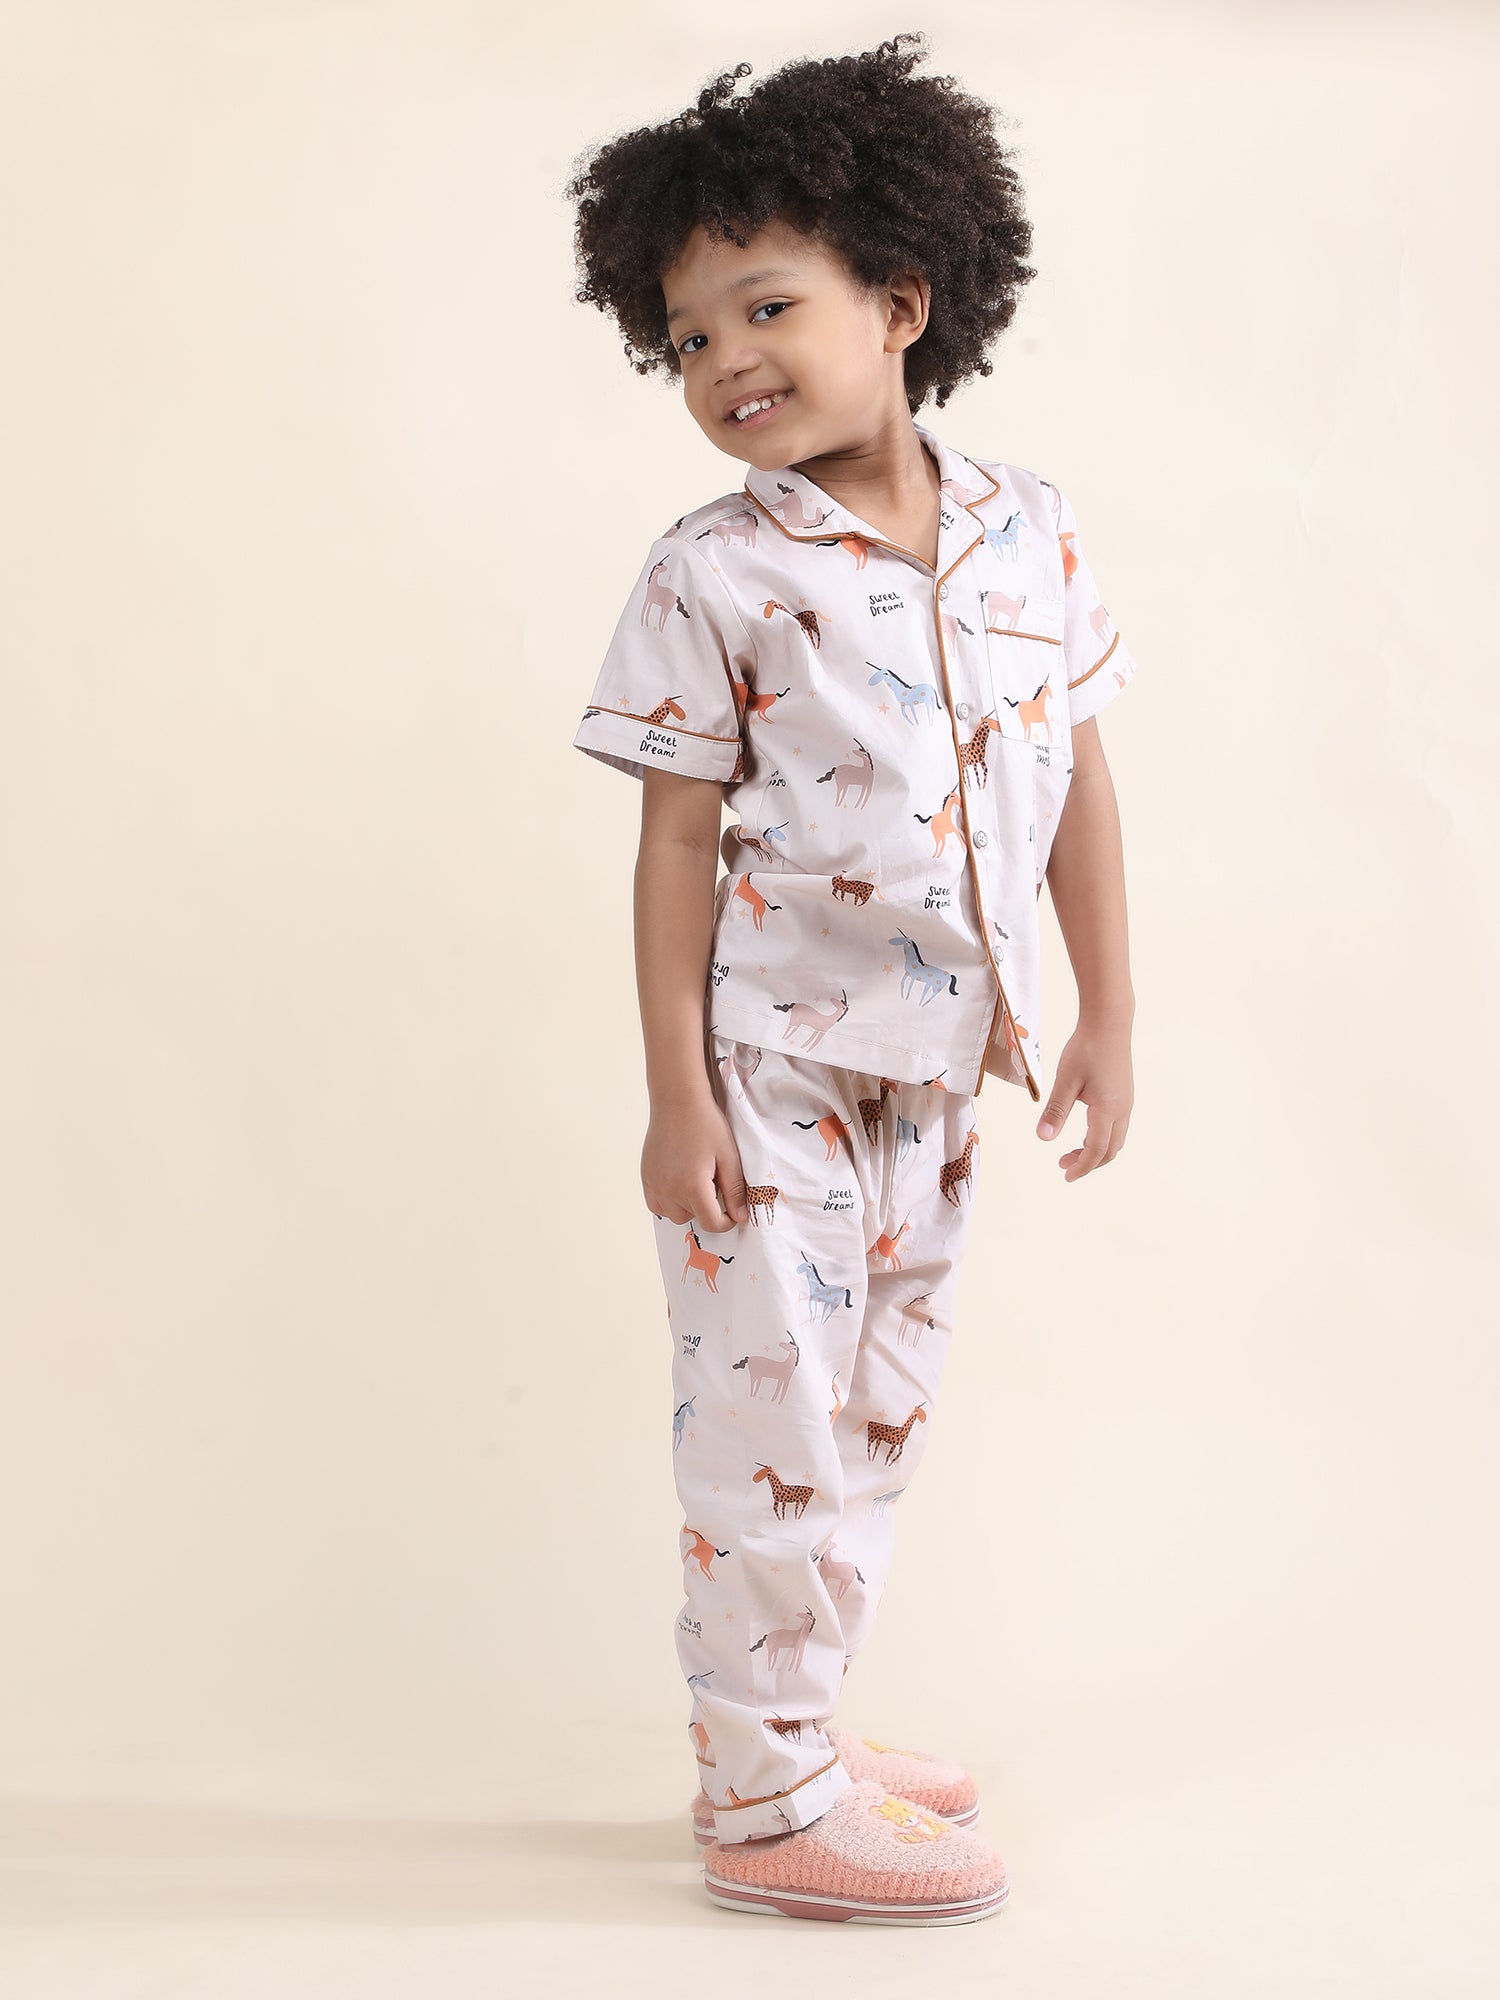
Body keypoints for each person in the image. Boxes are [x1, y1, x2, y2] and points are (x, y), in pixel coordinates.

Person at [563, 31, 1139, 1926]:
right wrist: (677, 1096)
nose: (722, 359)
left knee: (876, 1411)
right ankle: (763, 1805)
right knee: (770, 1430)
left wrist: (1109, 1011)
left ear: (902, 299)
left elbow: (1075, 774)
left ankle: (797, 1729)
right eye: (685, 336)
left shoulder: (1030, 527)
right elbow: (672, 846)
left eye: (765, 305)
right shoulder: (714, 574)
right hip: (773, 1079)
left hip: (944, 1066)